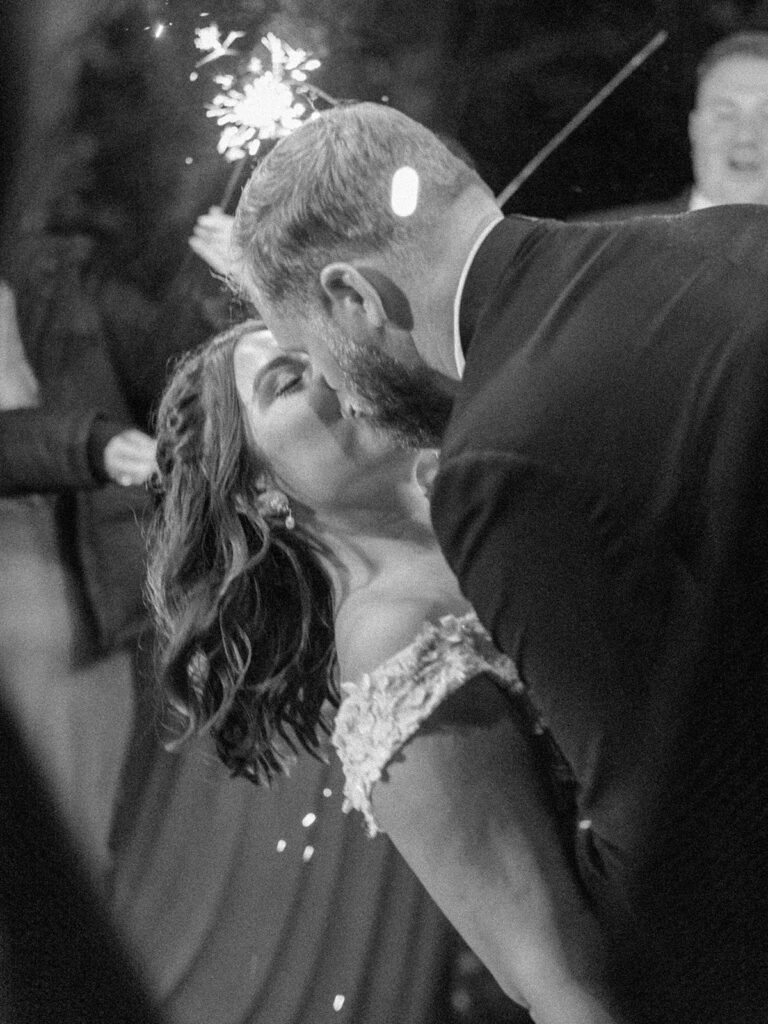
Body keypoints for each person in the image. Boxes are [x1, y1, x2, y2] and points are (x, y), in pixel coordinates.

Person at [230, 101, 768, 1024]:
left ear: (356, 297)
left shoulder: (502, 460)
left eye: (312, 350)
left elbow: (669, 834)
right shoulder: (732, 235)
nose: (339, 392)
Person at [148, 320, 631, 1024]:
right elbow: (554, 974)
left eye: (319, 351)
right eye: (287, 381)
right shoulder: (392, 639)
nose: (327, 374)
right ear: (259, 494)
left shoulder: (481, 509)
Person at [586, 30, 768, 217]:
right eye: (725, 115)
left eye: (767, 115)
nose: (745, 136)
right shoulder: (596, 241)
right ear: (694, 129)